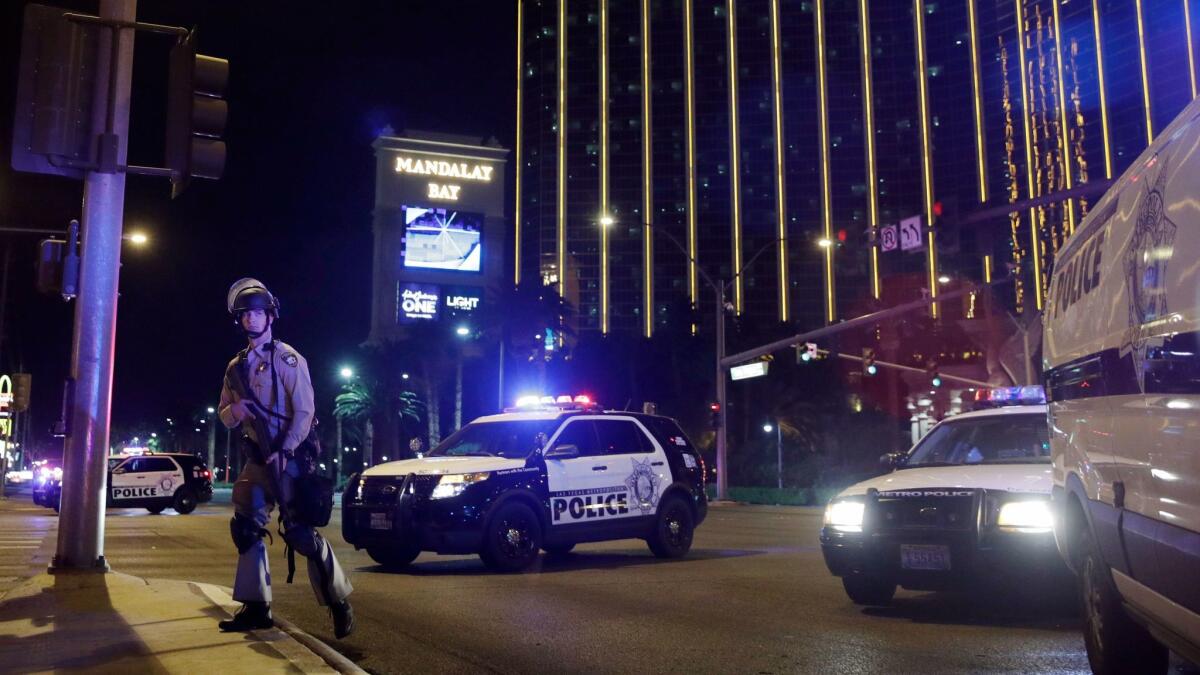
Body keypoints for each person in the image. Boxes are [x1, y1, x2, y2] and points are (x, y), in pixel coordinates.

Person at [216, 278, 355, 638]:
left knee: (301, 534)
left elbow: (305, 411)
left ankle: (338, 601)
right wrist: (237, 410)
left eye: (258, 313)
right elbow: (223, 412)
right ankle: (256, 607)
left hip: (289, 457)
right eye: (245, 315)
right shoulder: (236, 367)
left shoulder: (287, 358)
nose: (251, 320)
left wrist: (286, 450)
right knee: (245, 528)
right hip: (258, 459)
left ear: (271, 316)